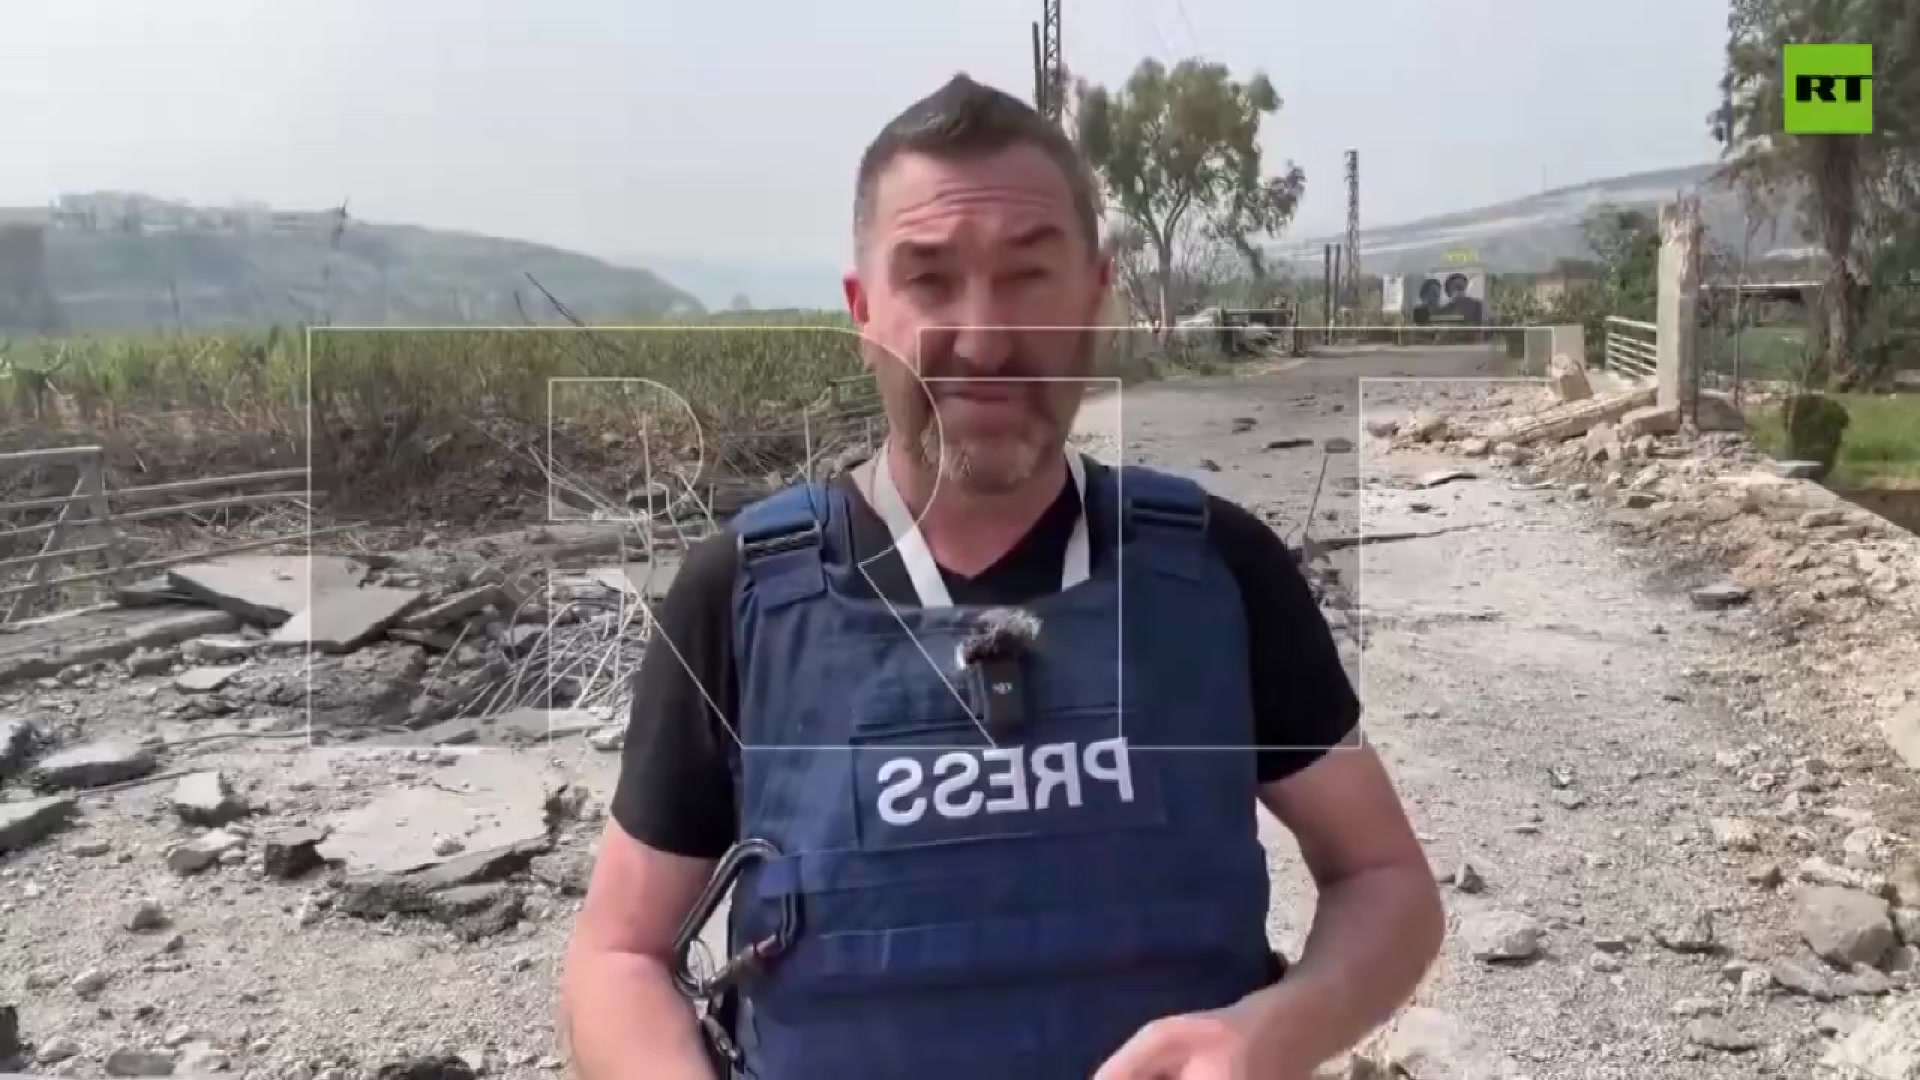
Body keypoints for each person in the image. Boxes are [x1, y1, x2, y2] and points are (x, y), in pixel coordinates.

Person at [562, 73, 1443, 1080]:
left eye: (1028, 277)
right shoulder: (743, 597)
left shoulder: (1218, 573)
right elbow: (618, 957)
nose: (983, 341)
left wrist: (1267, 1037)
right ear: (863, 312)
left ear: (1095, 297)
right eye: (930, 280)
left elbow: (1385, 880)